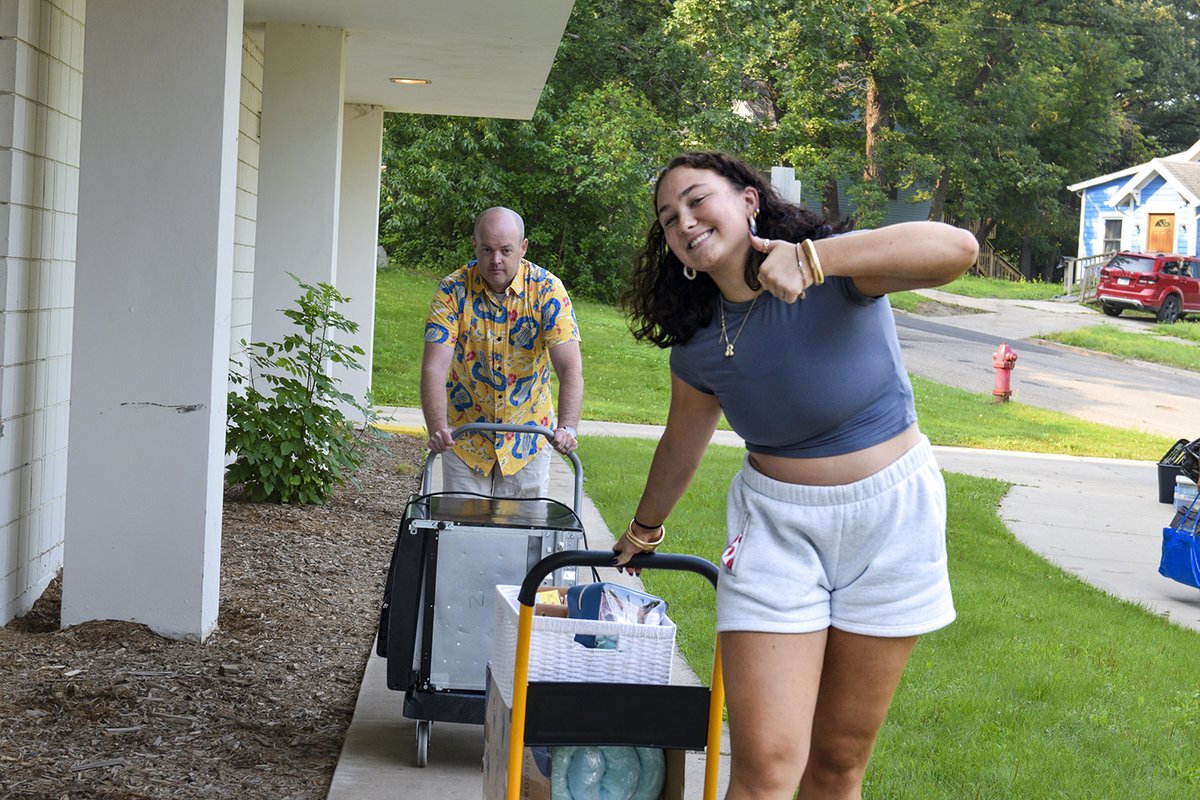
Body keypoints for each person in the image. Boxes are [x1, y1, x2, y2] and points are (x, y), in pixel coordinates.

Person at [611, 152, 979, 800]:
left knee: (837, 764)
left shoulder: (837, 269)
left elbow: (957, 249)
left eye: (698, 200)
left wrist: (817, 258)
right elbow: (683, 440)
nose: (685, 222)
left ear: (749, 200)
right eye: (670, 219)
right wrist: (644, 531)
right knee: (765, 769)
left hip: (893, 521)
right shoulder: (698, 341)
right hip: (776, 530)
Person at [421, 206, 583, 498]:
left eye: (506, 250)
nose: (496, 260)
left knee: (525, 534)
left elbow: (570, 369)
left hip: (528, 438)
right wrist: (437, 428)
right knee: (463, 533)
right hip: (466, 438)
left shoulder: (548, 290)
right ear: (474, 245)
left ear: (523, 247)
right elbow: (434, 367)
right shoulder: (452, 291)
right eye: (487, 249)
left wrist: (568, 427)